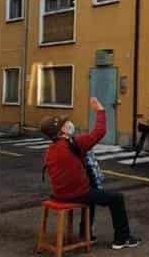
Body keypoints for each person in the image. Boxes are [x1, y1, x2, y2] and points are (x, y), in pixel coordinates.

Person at [41, 98, 142, 250]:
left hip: (59, 194)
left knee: (91, 191)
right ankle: (122, 238)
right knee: (116, 198)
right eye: (65, 123)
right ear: (62, 130)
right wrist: (100, 110)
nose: (69, 124)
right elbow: (99, 132)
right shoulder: (73, 144)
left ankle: (85, 233)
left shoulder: (50, 149)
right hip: (76, 194)